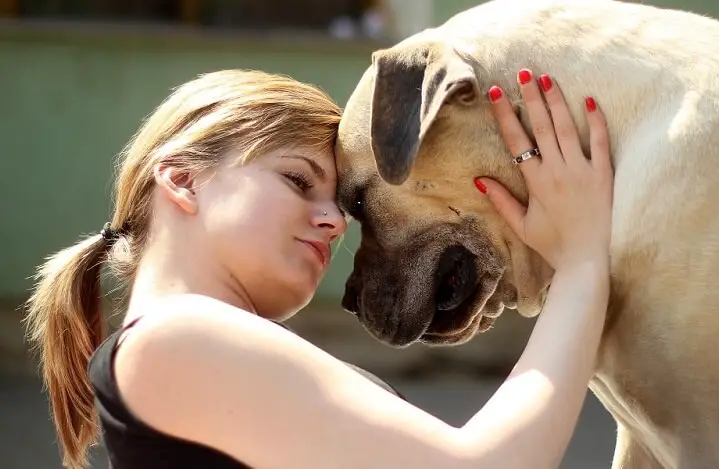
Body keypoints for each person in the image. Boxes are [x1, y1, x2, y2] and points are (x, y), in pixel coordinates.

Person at [24, 67, 613, 469]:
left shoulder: (182, 343)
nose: (333, 220)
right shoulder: (176, 337)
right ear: (183, 180)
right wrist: (583, 260)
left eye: (339, 204)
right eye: (298, 180)